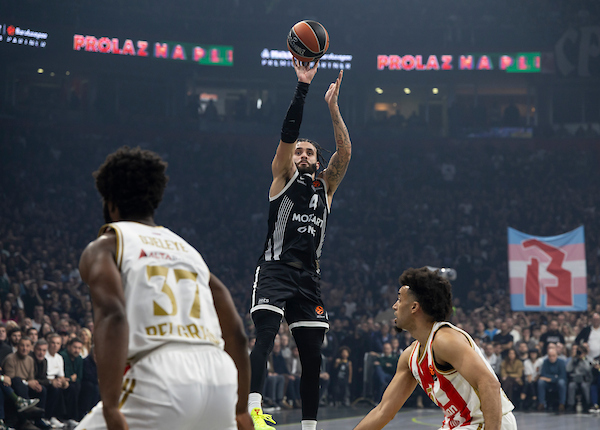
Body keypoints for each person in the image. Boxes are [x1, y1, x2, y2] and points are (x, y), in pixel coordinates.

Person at [76, 147, 252, 430]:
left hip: (161, 377)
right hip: (220, 379)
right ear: (154, 202)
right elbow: (238, 335)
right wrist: (241, 410)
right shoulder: (189, 252)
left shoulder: (107, 246)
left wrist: (110, 406)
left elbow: (113, 315)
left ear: (111, 205)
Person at [248, 58, 351, 430]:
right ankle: (253, 412)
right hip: (275, 269)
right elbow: (288, 131)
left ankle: (310, 428)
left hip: (309, 278)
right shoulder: (282, 177)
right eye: (298, 151)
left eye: (310, 152)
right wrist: (303, 86)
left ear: (318, 162)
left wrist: (333, 107)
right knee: (264, 338)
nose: (303, 154)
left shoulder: (326, 187)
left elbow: (345, 153)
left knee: (312, 357)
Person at [354, 267, 516, 430]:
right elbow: (383, 411)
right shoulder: (410, 356)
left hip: (488, 422)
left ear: (414, 307)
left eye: (400, 300)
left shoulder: (445, 340)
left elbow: (489, 383)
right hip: (460, 424)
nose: (394, 306)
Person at [537, 347, 567, 412]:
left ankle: (562, 404)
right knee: (541, 382)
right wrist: (555, 377)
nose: (551, 358)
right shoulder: (545, 362)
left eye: (553, 356)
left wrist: (550, 379)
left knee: (561, 382)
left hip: (557, 383)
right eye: (550, 356)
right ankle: (541, 403)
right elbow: (543, 375)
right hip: (548, 383)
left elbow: (562, 376)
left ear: (557, 355)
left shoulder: (561, 362)